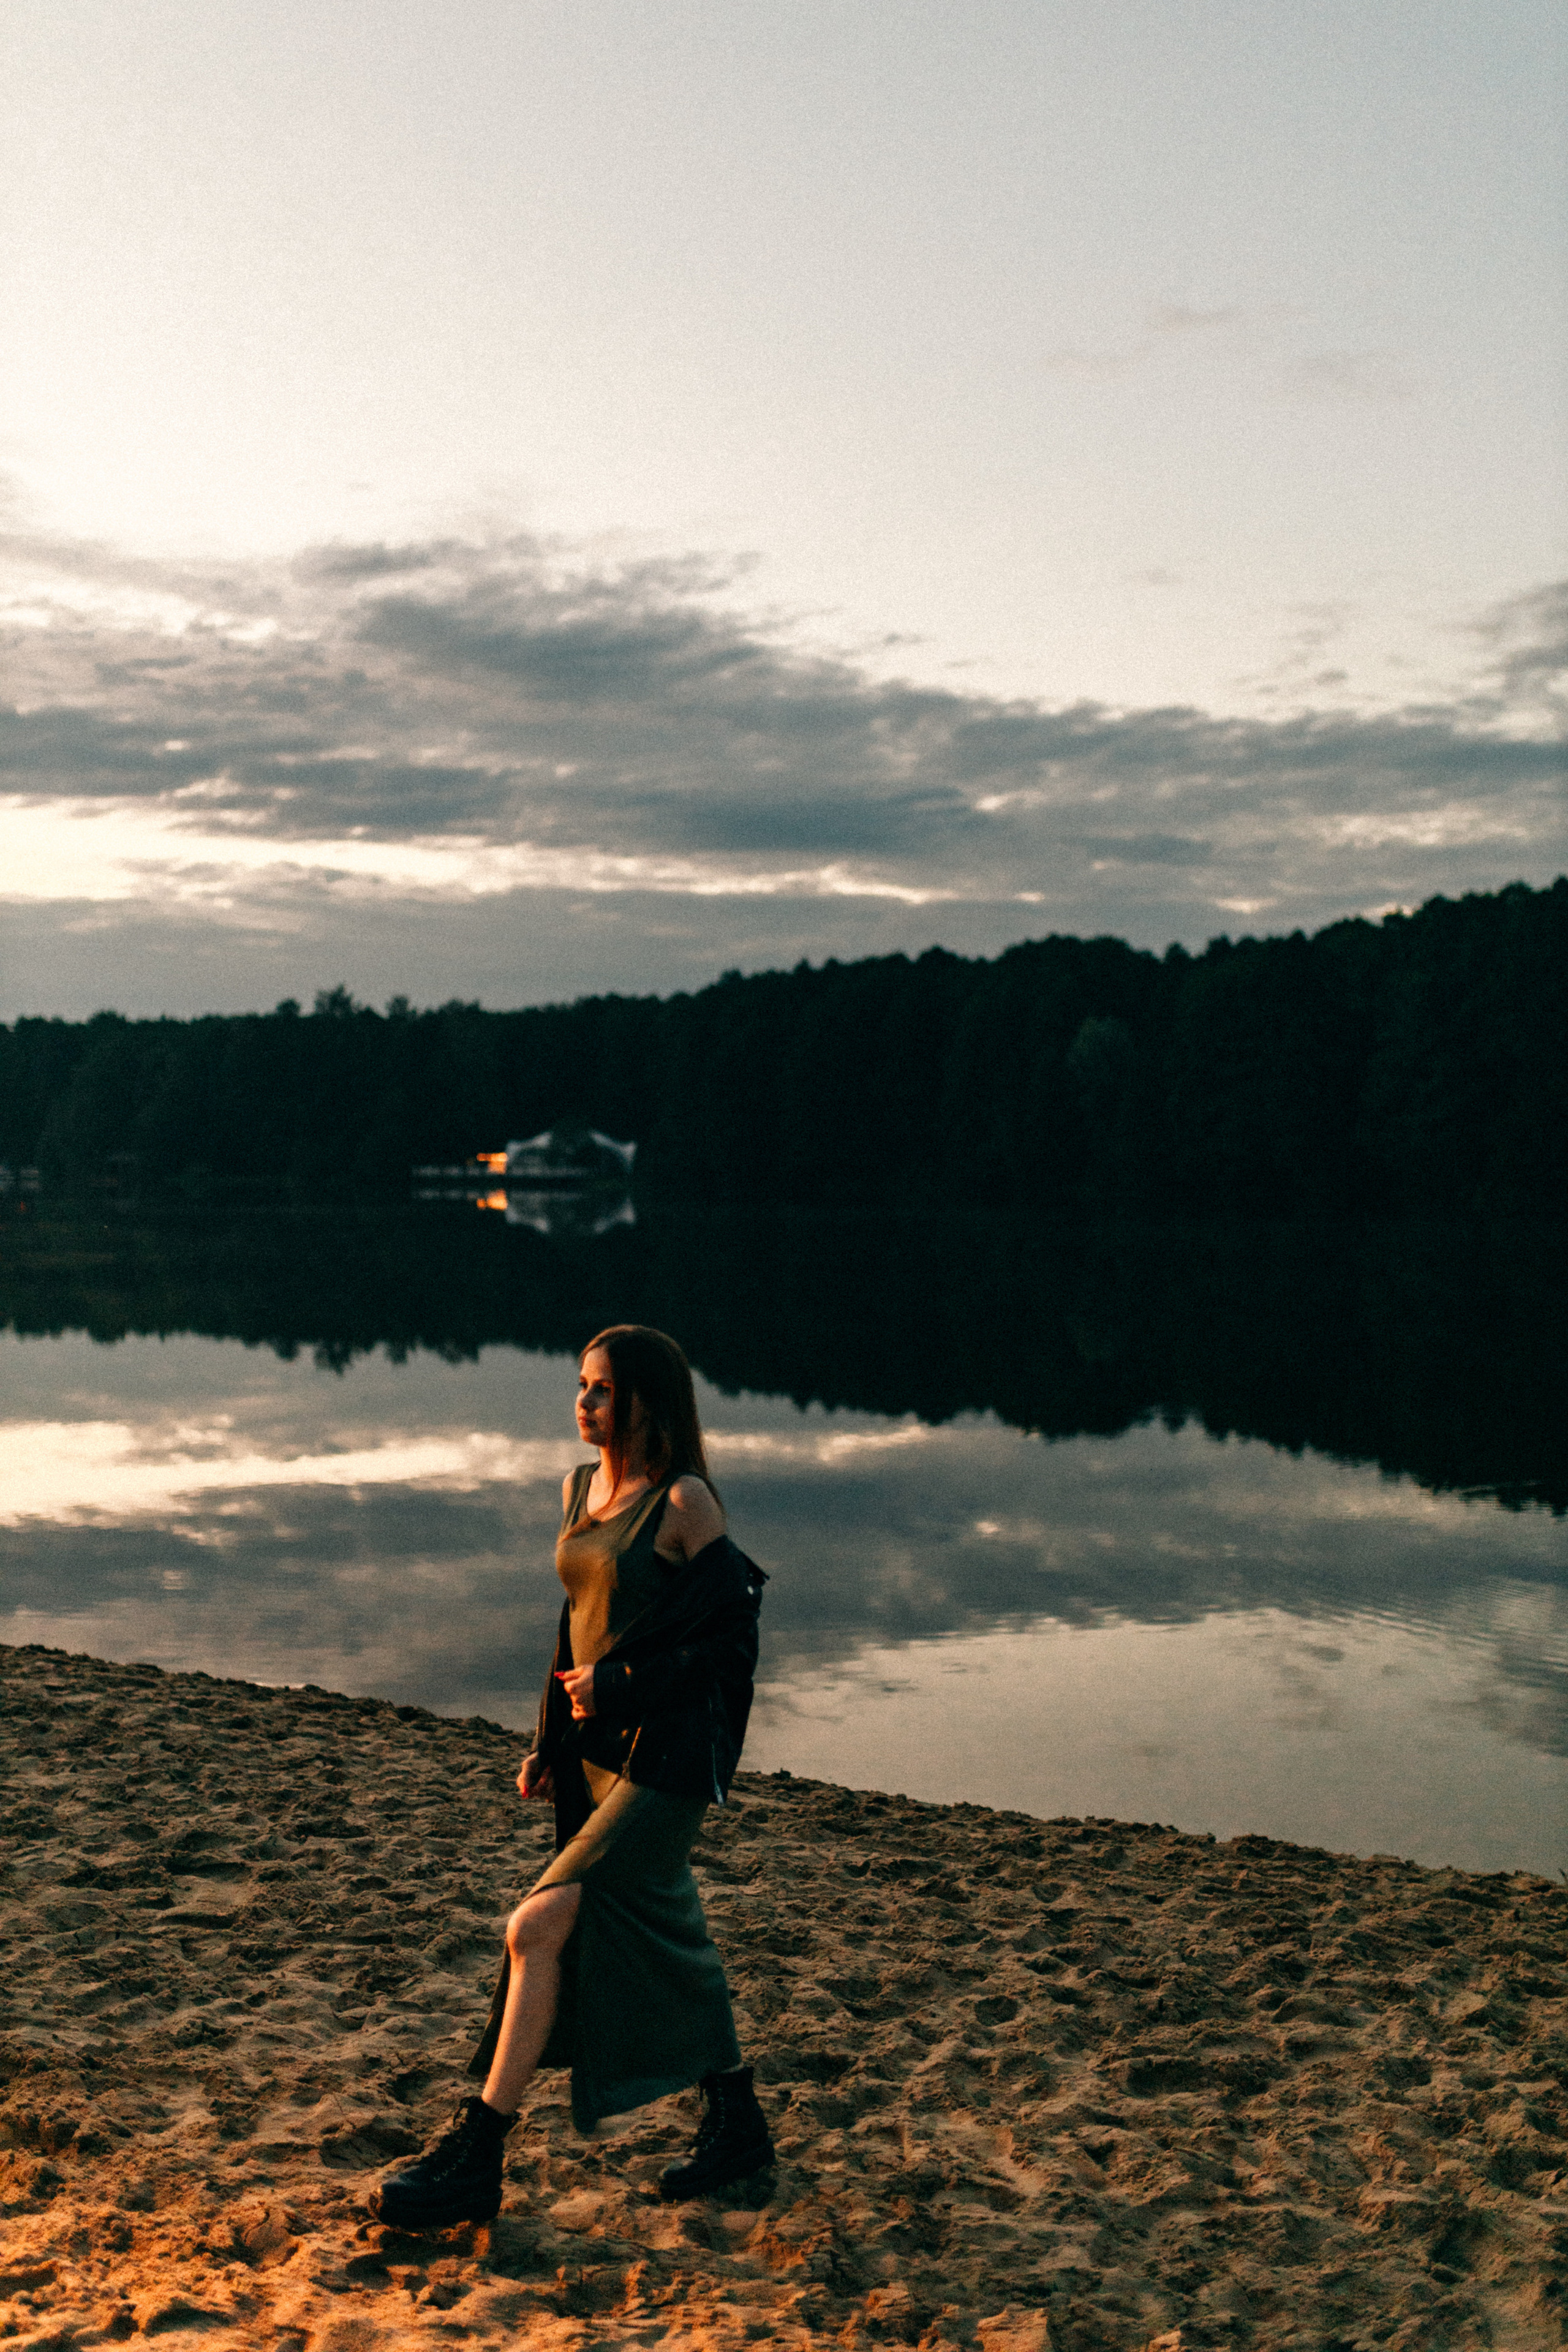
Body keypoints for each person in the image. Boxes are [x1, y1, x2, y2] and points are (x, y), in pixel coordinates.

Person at [371, 1324, 773, 2230]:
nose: (582, 1403)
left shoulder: (685, 1503)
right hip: (594, 1759)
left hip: (665, 1763)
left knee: (538, 1924)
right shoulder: (581, 1488)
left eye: (600, 1389)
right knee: (665, 1931)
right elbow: (578, 1620)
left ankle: (479, 2150)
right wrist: (552, 1739)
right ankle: (737, 2116)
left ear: (643, 1400)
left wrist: (622, 1685)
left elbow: (731, 1639)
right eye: (580, 1386)